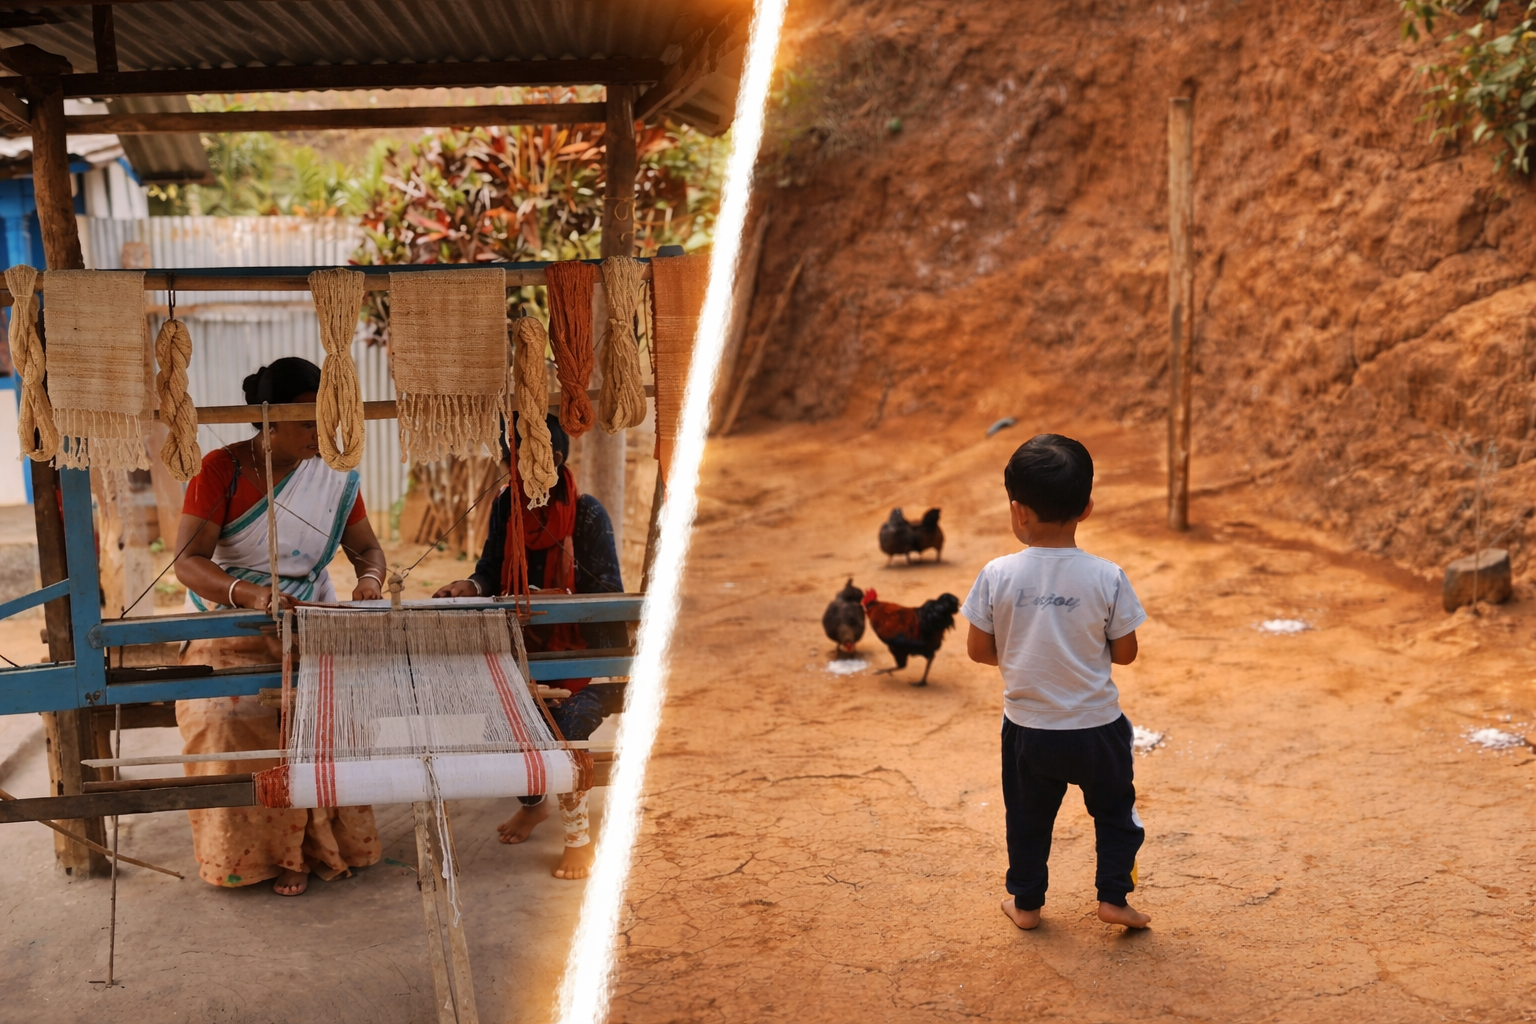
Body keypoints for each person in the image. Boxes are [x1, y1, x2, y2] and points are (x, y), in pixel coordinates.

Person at [173, 357, 388, 896]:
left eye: (325, 422)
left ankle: (317, 848)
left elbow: (367, 549)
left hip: (308, 619)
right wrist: (254, 596)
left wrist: (370, 582)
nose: (322, 434)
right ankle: (265, 855)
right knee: (228, 713)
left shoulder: (334, 475)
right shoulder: (220, 469)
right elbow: (187, 561)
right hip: (232, 621)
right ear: (268, 421)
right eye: (306, 423)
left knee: (336, 709)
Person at [961, 433, 1152, 931]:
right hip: (1097, 729)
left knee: (1026, 821)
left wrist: (1026, 652)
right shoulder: (1107, 576)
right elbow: (1127, 654)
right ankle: (1113, 897)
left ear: (1017, 510)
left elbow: (979, 650)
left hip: (1028, 729)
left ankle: (1026, 905)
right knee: (1116, 815)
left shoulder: (996, 574)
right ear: (1086, 507)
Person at [433, 413, 623, 879]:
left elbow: (610, 597)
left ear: (555, 459)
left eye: (524, 460)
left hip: (587, 661)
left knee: (561, 728)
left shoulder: (588, 514)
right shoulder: (506, 507)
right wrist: (470, 586)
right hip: (525, 658)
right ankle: (535, 803)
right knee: (497, 719)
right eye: (508, 460)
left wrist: (552, 601)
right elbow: (491, 569)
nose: (513, 471)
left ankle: (578, 838)